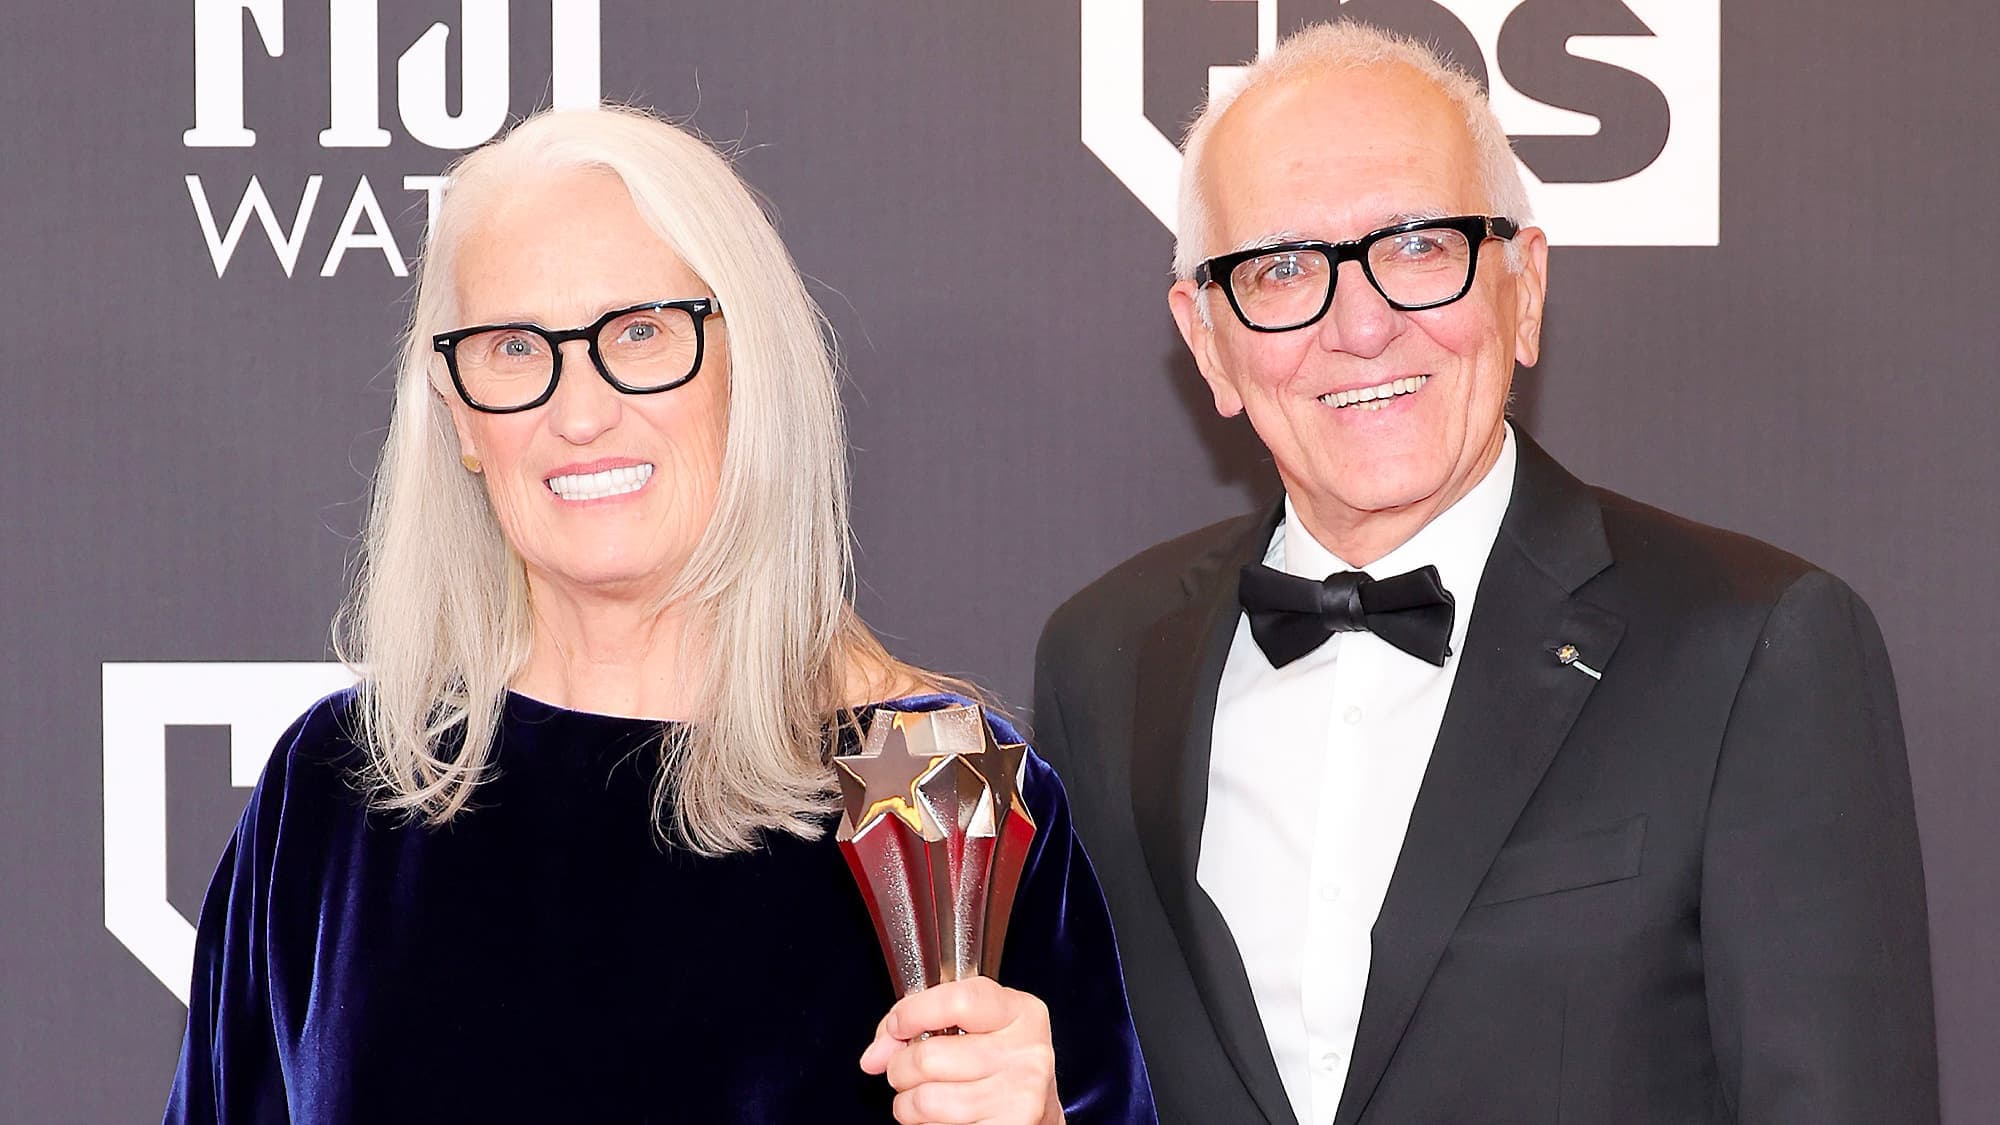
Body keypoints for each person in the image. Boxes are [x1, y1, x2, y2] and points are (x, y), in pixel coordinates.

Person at [165, 105, 1153, 1125]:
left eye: (638, 333)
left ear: (747, 370)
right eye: (512, 346)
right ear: (457, 414)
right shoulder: (333, 795)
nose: (579, 411)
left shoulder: (935, 787)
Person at [1033, 21, 1936, 1125]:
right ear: (1209, 339)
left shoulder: (1752, 647)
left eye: (1418, 245)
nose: (1359, 326)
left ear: (1523, 286)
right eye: (1279, 268)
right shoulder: (1105, 660)